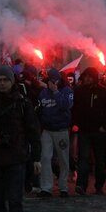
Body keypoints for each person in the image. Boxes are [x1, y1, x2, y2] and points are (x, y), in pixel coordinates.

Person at [0, 66, 42, 212]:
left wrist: (36, 158)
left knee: (15, 202)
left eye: (5, 80)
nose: (2, 83)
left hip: (16, 159)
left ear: (12, 81)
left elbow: (33, 132)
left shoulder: (23, 103)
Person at [72, 67, 106, 195]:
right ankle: (81, 185)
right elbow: (75, 109)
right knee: (83, 159)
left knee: (99, 160)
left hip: (99, 131)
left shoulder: (103, 91)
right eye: (86, 76)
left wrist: (104, 126)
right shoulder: (79, 91)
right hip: (84, 130)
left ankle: (99, 185)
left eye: (90, 76)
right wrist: (75, 123)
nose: (87, 78)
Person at [37, 68, 73, 198]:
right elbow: (41, 109)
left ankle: (63, 187)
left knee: (63, 159)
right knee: (45, 158)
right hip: (47, 130)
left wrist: (56, 92)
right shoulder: (43, 93)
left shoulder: (67, 91)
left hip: (61, 130)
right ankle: (46, 188)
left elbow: (66, 106)